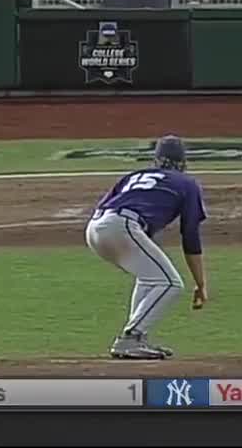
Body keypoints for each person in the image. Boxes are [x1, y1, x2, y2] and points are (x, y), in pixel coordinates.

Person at [85, 135, 208, 360]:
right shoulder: (187, 184)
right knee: (171, 283)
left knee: (149, 278)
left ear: (157, 159)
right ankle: (130, 338)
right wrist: (200, 284)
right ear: (183, 161)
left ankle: (137, 337)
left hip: (95, 228)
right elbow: (190, 238)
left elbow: (107, 205)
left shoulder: (133, 176)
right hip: (122, 226)